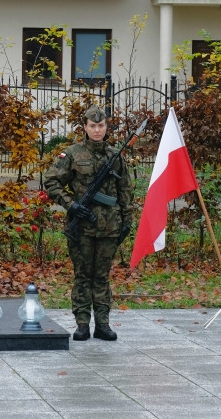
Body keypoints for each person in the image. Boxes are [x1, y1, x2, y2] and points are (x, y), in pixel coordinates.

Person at [44, 105, 133, 342]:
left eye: (101, 126)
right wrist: (71, 205)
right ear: (84, 127)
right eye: (92, 126)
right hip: (81, 227)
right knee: (83, 275)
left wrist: (127, 220)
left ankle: (102, 323)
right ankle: (82, 323)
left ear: (106, 128)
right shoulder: (72, 154)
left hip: (109, 226)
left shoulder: (115, 156)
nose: (97, 130)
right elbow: (51, 182)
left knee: (101, 276)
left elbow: (125, 190)